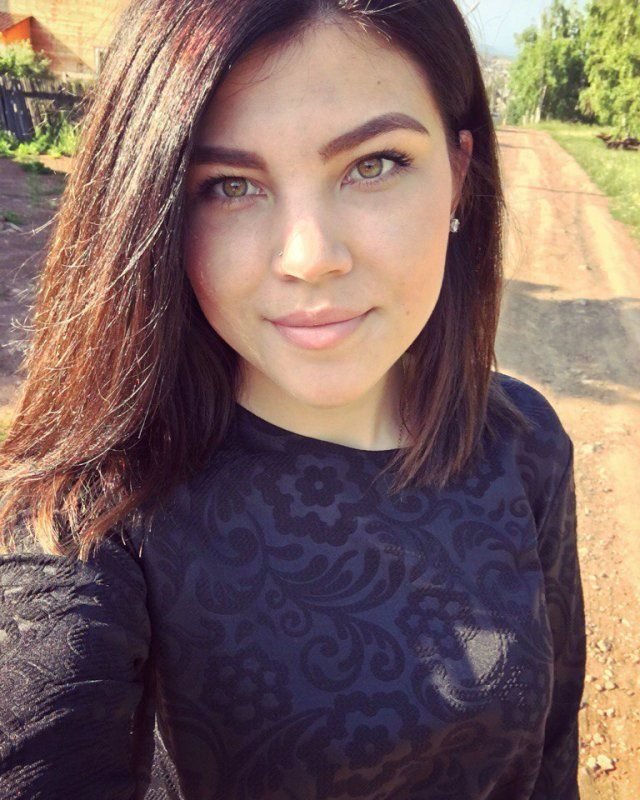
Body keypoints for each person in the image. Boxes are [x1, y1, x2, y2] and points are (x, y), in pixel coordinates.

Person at [0, 0, 586, 798]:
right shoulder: (98, 516)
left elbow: (552, 758)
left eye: (374, 164)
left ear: (459, 174)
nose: (309, 257)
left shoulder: (526, 444)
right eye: (230, 185)